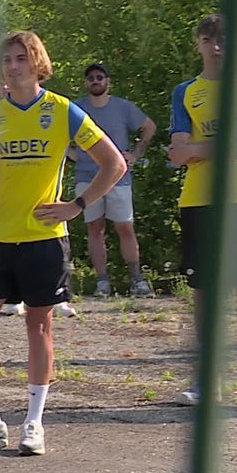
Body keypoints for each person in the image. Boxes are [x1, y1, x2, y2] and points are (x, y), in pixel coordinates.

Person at [0, 31, 125, 455]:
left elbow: (114, 162)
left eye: (22, 58)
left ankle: (34, 424)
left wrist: (77, 205)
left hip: (44, 239)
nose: (13, 66)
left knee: (38, 329)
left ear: (37, 62)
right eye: (7, 59)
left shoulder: (62, 110)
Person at [167, 13, 237, 412]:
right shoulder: (186, 92)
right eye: (208, 39)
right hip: (198, 201)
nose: (216, 47)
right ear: (198, 43)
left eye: (223, 39)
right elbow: (177, 152)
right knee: (205, 294)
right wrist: (201, 150)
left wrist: (198, 150)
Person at [72, 63, 156, 297]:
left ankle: (137, 280)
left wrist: (136, 154)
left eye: (100, 77)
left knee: (125, 227)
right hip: (87, 177)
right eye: (91, 78)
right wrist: (71, 154)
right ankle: (102, 283)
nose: (95, 81)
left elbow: (149, 127)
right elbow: (56, 134)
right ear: (85, 83)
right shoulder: (76, 109)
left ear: (108, 81)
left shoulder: (123, 107)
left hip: (119, 177)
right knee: (95, 229)